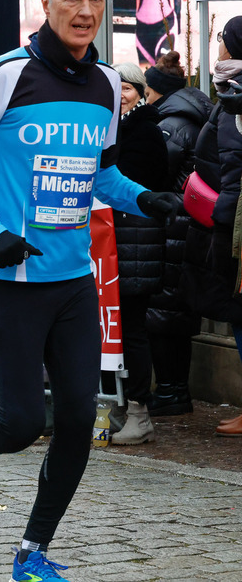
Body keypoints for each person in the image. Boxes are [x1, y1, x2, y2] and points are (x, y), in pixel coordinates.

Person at [0, 0, 177, 581]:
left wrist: (143, 197)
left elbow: (102, 175)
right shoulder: (5, 75)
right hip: (10, 279)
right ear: (46, 2)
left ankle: (31, 553)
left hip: (73, 283)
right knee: (20, 421)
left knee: (74, 421)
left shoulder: (103, 87)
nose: (86, 11)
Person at [143, 51, 213, 417]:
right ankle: (175, 389)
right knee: (174, 315)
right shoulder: (193, 115)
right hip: (186, 226)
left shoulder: (171, 124)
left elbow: (155, 174)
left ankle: (172, 391)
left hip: (172, 228)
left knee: (163, 315)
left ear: (156, 91)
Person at [181, 16, 242, 436]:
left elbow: (236, 170)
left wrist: (222, 214)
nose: (217, 44)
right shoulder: (230, 92)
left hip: (236, 230)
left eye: (222, 38)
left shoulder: (237, 97)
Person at [109, 63, 168, 445]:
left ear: (140, 91)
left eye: (127, 88)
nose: (120, 95)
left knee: (131, 329)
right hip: (113, 244)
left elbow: (127, 185)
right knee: (111, 331)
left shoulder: (143, 132)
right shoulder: (114, 130)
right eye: (114, 89)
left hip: (134, 243)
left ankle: (139, 412)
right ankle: (113, 406)